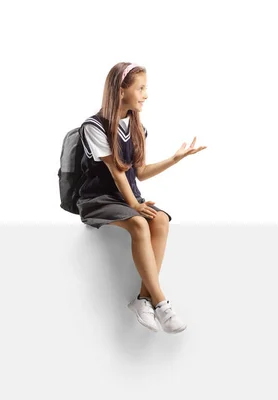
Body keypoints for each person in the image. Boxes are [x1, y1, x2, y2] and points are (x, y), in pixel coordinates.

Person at [77, 62, 206, 334]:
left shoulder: (138, 127)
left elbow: (141, 173)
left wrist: (175, 159)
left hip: (126, 200)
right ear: (120, 91)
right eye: (141, 88)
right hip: (99, 199)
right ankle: (162, 303)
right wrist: (134, 205)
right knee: (138, 223)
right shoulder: (94, 126)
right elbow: (116, 171)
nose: (145, 94)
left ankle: (143, 300)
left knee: (160, 221)